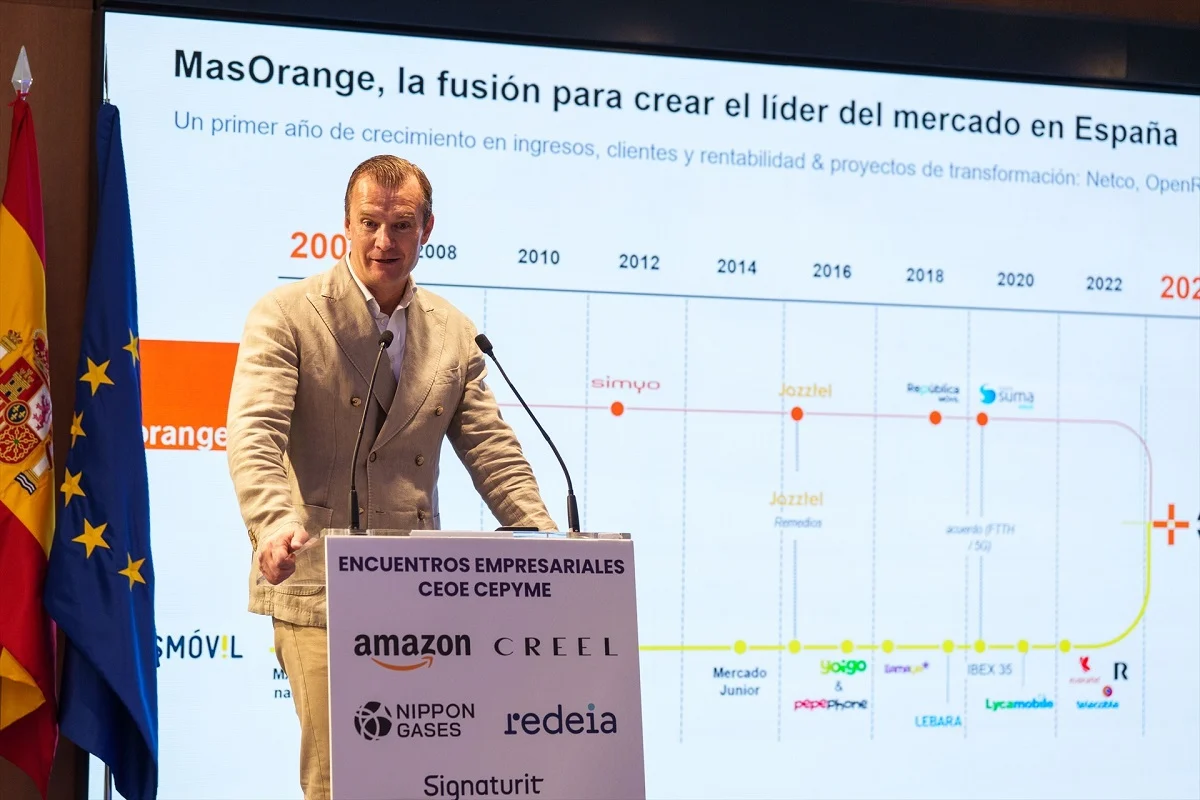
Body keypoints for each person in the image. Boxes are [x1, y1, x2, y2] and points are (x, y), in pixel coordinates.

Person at [225, 154, 557, 799]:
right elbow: (255, 432)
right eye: (370, 223)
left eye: (402, 225)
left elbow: (492, 449)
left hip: (418, 590)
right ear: (345, 225)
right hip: (317, 581)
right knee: (339, 782)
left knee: (418, 780)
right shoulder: (285, 313)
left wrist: (544, 541)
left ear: (427, 228)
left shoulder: (455, 331)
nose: (384, 241)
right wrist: (272, 523)